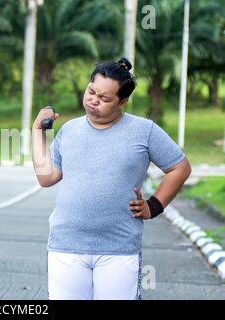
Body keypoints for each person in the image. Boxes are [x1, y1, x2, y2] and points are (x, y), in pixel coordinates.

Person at [31, 57, 192, 300]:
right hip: (65, 246)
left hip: (119, 249)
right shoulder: (70, 130)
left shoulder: (144, 131)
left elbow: (180, 168)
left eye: (105, 98)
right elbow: (47, 177)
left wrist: (154, 206)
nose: (93, 100)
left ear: (123, 102)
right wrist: (37, 132)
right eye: (91, 91)